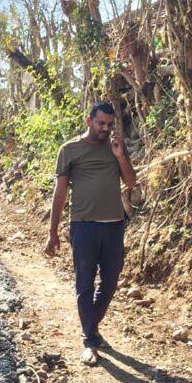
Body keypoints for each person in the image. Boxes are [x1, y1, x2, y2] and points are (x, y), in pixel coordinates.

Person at [43, 101, 137, 366]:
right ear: (89, 121)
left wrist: (120, 155)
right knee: (84, 284)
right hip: (84, 226)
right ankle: (90, 342)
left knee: (110, 281)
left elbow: (131, 181)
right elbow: (60, 193)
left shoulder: (115, 147)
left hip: (114, 225)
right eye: (100, 123)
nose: (105, 129)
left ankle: (91, 327)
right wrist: (52, 231)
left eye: (109, 124)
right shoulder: (69, 150)